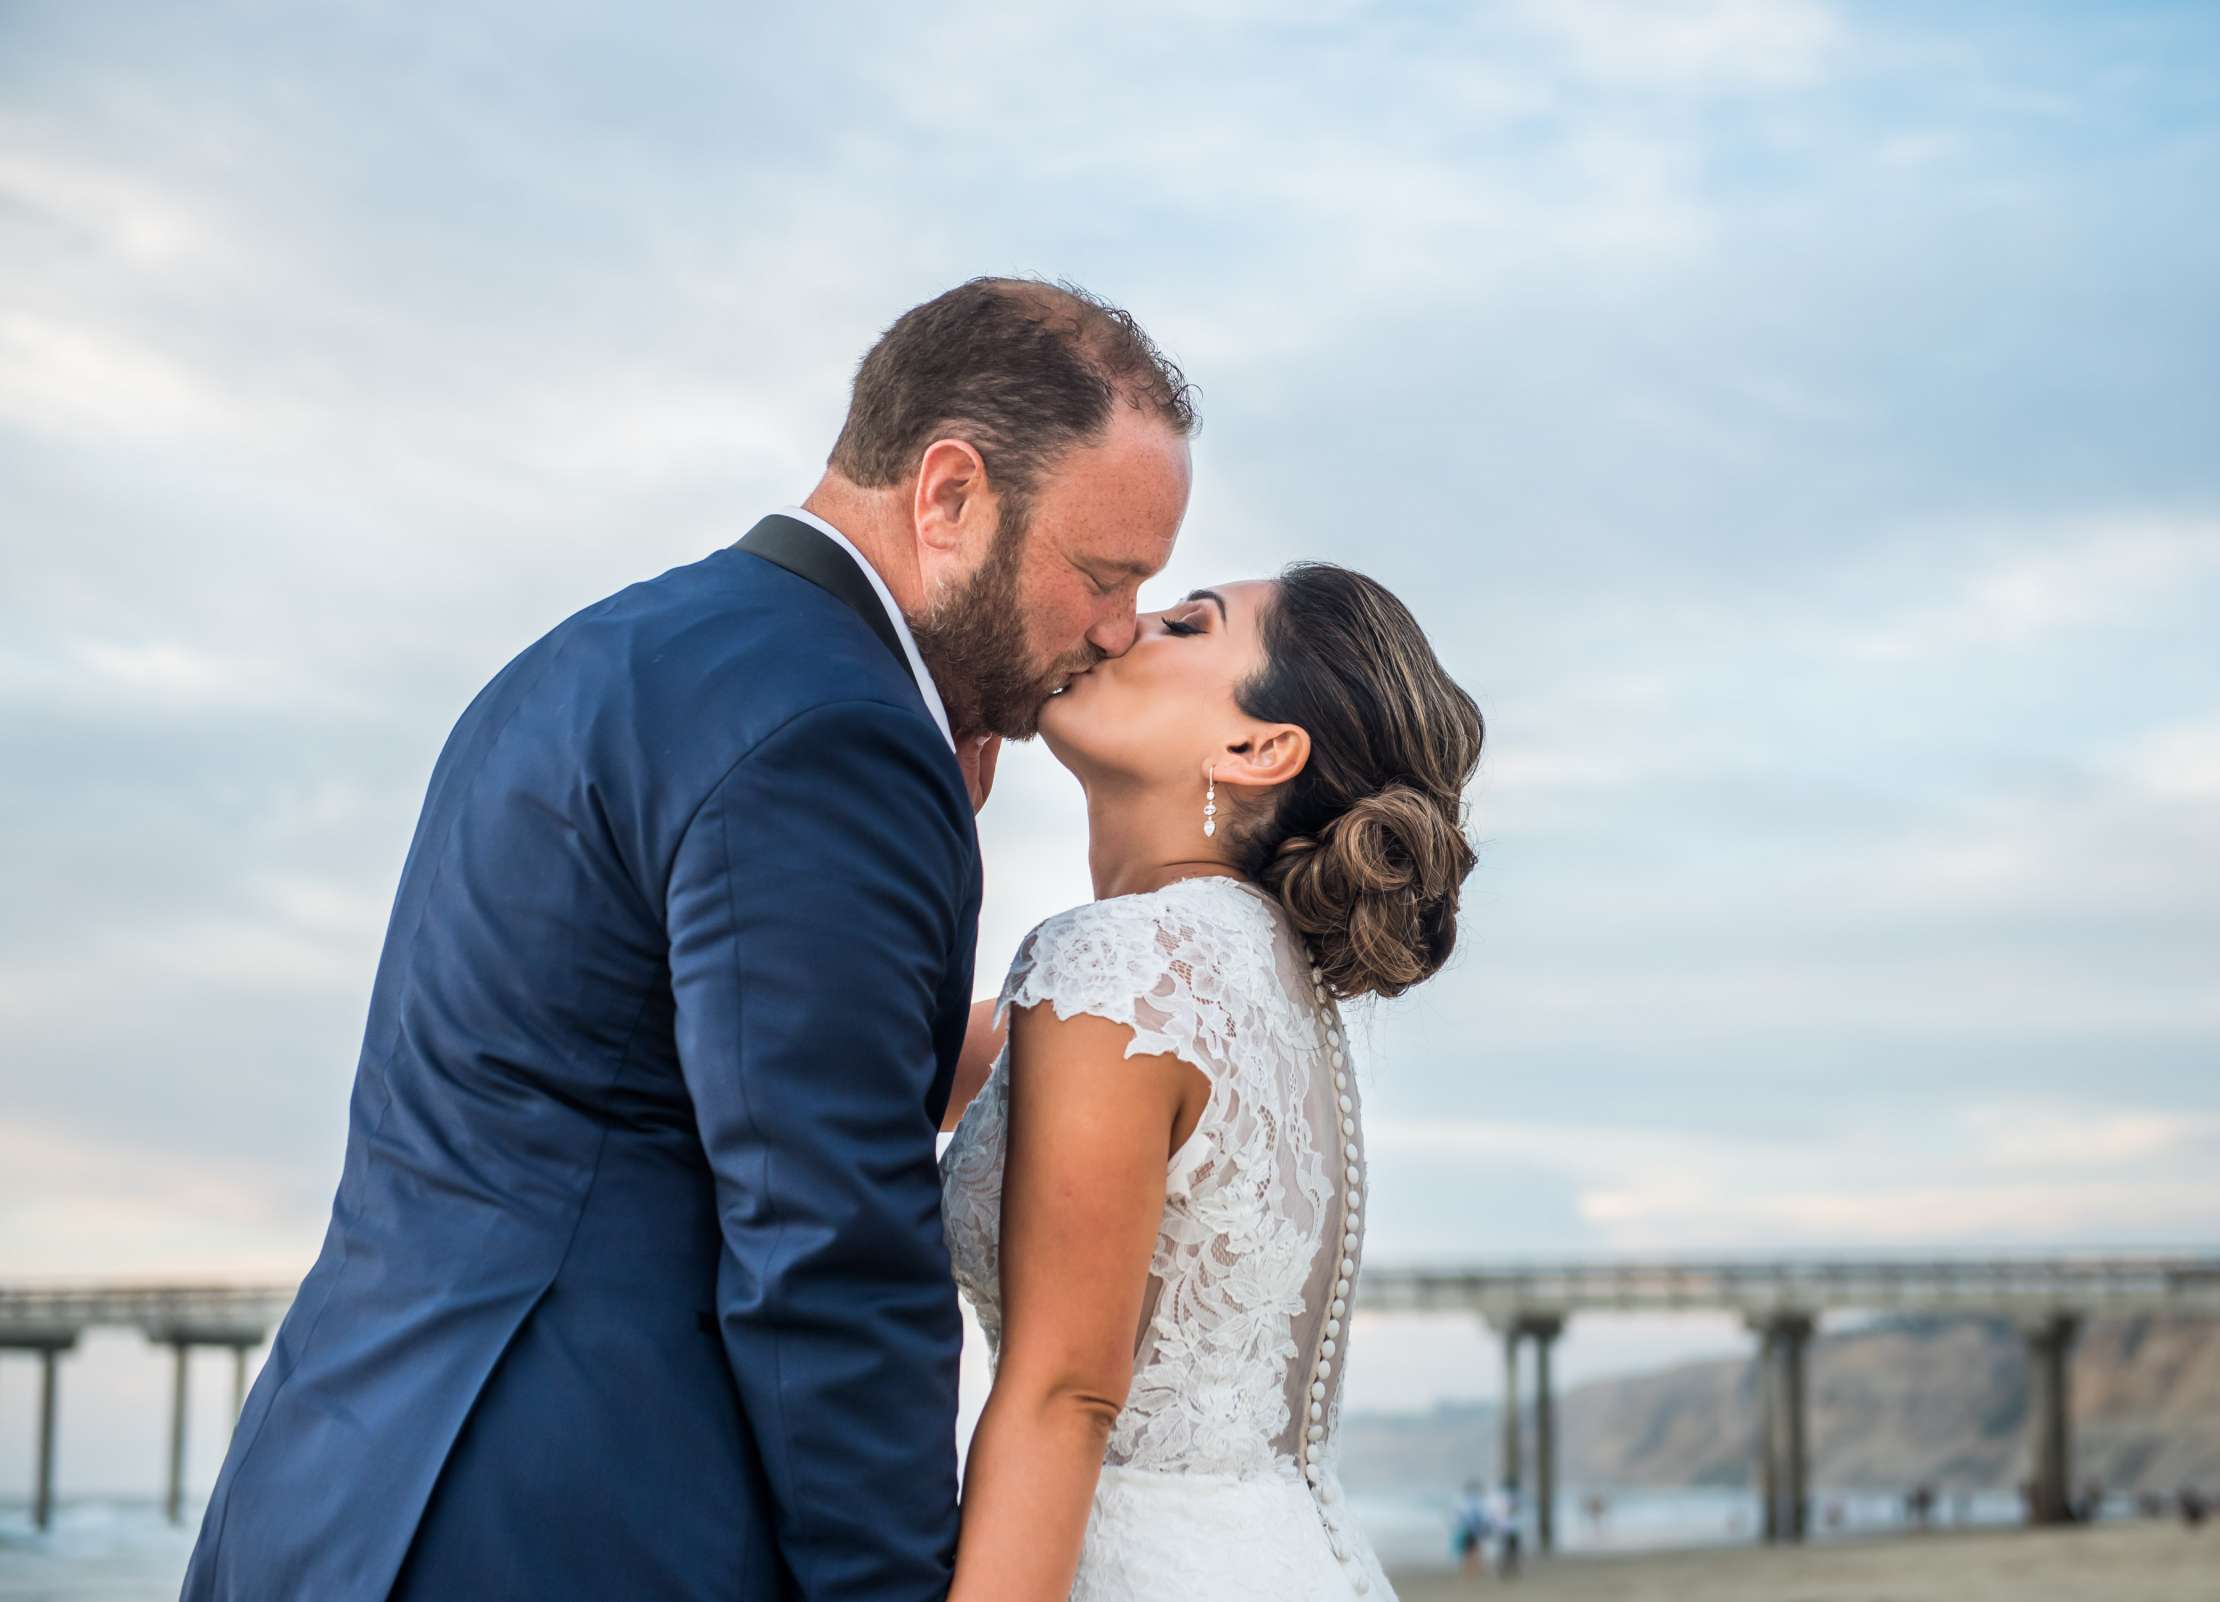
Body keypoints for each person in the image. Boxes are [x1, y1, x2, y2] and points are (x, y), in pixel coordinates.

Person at [178, 277, 1197, 1602]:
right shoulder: (837, 730)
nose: (1117, 628)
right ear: (948, 493)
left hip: (332, 1486)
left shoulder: (590, 656)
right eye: (1102, 575)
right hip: (575, 1517)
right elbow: (825, 1239)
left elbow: (635, 1065)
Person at [937, 562, 1484, 1601]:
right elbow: (885, 1066)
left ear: (1256, 748)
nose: (1121, 625)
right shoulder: (1258, 983)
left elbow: (1065, 1395)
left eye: (1186, 624)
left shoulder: (1129, 969)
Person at [1453, 1480, 1490, 1575]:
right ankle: (1472, 1570)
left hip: (1472, 1529)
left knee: (1472, 1550)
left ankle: (1471, 1570)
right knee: (1472, 1550)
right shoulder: (1476, 1502)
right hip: (1472, 1529)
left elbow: (1461, 1516)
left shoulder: (1467, 1502)